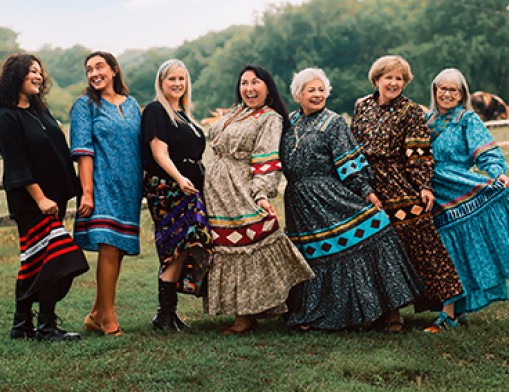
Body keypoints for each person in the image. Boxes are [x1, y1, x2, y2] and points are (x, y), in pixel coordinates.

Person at [280, 68, 423, 331]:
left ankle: (391, 312)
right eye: (311, 90)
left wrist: (366, 191)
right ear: (298, 95)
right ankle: (313, 312)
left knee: (373, 237)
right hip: (299, 202)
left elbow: (349, 162)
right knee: (314, 257)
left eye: (322, 90)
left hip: (329, 195)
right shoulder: (289, 123)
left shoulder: (333, 123)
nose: (318, 94)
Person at [350, 55, 464, 333]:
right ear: (377, 79)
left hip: (399, 184)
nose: (394, 83)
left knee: (422, 245)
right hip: (366, 187)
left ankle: (451, 310)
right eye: (388, 77)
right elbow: (352, 145)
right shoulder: (362, 106)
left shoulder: (411, 111)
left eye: (399, 78)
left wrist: (424, 184)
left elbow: (418, 151)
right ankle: (388, 312)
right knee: (376, 250)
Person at [203, 64, 314, 334]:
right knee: (227, 249)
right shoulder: (237, 112)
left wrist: (262, 194)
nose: (249, 88)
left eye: (255, 83)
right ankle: (244, 313)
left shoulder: (269, 118)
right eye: (244, 83)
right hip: (217, 192)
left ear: (268, 87)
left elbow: (267, 159)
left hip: (241, 188)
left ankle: (261, 314)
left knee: (252, 246)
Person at [0, 53, 89, 341]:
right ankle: (45, 325)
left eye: (40, 72)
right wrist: (40, 199)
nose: (38, 76)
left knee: (36, 260)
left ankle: (23, 324)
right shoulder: (6, 116)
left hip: (54, 198)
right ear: (16, 76)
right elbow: (17, 162)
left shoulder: (40, 111)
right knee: (60, 258)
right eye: (31, 71)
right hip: (32, 201)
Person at [425, 68, 509, 329]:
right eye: (443, 88)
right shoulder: (424, 121)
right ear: (434, 90)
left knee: (455, 250)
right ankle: (453, 310)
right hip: (434, 196)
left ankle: (448, 315)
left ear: (462, 94)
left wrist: (499, 173)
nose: (447, 94)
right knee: (447, 253)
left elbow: (486, 151)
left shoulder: (467, 120)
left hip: (459, 189)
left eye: (454, 90)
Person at [70, 51, 142, 336]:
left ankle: (96, 313)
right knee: (108, 249)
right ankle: (108, 319)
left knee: (118, 250)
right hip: (101, 184)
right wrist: (87, 192)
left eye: (99, 66)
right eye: (89, 69)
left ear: (114, 70)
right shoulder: (85, 104)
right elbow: (83, 150)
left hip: (130, 187)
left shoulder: (133, 104)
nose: (94, 73)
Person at [142, 59, 212, 332]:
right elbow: (159, 153)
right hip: (168, 188)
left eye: (182, 79)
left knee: (186, 244)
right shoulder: (156, 111)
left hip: (190, 186)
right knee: (182, 243)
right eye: (172, 78)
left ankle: (168, 314)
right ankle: (164, 313)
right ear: (161, 81)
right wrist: (179, 178)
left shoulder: (184, 113)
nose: (177, 84)